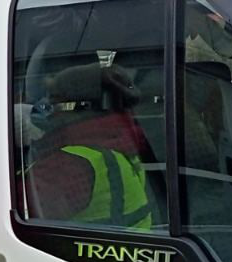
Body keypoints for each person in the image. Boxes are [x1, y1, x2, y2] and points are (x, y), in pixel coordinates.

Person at [24, 63, 155, 229]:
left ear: (81, 106)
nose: (46, 107)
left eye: (54, 99)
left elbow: (3, 213)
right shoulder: (117, 145)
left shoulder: (69, 165)